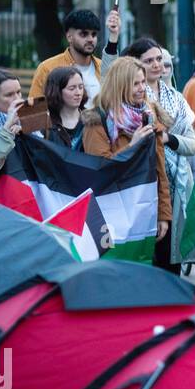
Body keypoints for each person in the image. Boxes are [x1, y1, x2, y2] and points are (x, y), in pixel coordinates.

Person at [124, 38, 195, 273]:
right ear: (135, 64)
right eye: (149, 61)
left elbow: (191, 145)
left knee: (171, 258)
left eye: (160, 59)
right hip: (146, 182)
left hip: (177, 184)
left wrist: (168, 139)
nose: (157, 65)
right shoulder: (131, 98)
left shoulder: (176, 98)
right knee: (147, 257)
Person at [81, 57, 173, 249]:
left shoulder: (148, 115)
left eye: (143, 82)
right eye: (135, 84)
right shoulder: (97, 120)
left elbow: (159, 170)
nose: (142, 88)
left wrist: (164, 214)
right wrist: (133, 145)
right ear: (120, 86)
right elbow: (99, 171)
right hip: (112, 213)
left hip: (145, 208)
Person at [30, 8, 113, 103]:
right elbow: (34, 110)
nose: (90, 39)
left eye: (94, 34)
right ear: (69, 37)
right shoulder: (48, 68)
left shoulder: (102, 67)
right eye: (83, 34)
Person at [41, 66, 88, 149]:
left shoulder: (92, 120)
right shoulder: (44, 123)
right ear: (56, 91)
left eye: (81, 87)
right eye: (72, 88)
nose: (78, 93)